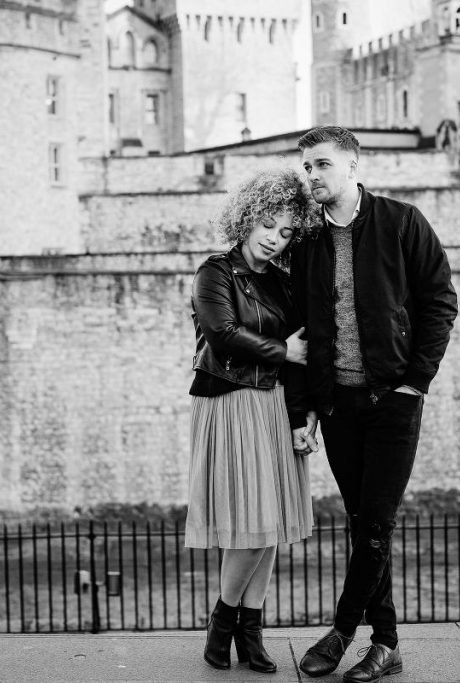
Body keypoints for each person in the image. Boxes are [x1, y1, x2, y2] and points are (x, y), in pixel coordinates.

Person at [289, 127, 458, 682]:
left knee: (376, 526)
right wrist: (310, 406)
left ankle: (341, 634)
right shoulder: (308, 239)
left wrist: (417, 382)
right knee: (363, 524)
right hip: (340, 405)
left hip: (393, 401)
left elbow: (439, 301)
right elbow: (302, 328)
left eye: (320, 164)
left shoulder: (401, 221)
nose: (311, 175)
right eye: (305, 166)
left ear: (353, 164)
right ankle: (386, 644)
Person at [184, 167, 317, 673]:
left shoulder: (284, 283)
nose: (274, 238)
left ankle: (249, 632)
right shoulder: (214, 273)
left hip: (274, 404)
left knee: (272, 523)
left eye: (286, 232)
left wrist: (303, 417)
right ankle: (225, 624)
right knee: (250, 528)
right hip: (231, 401)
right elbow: (222, 334)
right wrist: (284, 349)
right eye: (268, 224)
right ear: (247, 217)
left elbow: (301, 357)